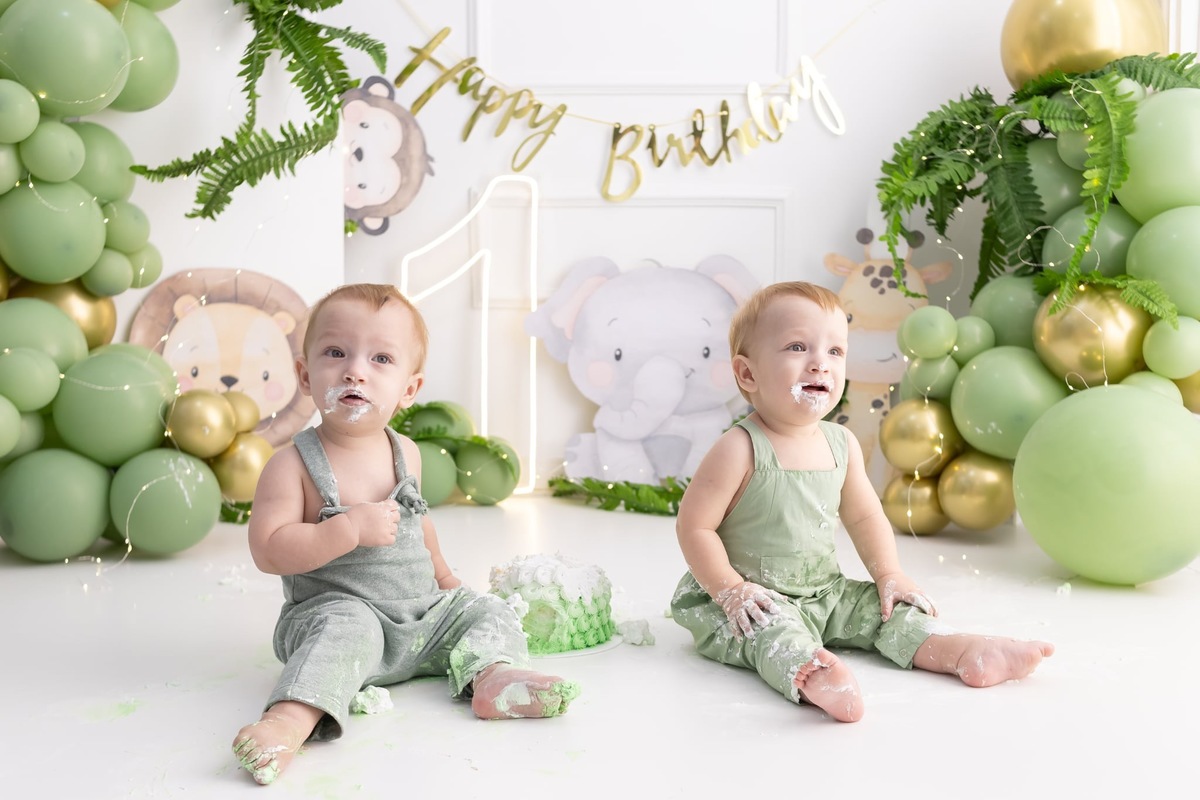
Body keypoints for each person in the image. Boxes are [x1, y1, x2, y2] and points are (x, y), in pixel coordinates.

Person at [233, 284, 579, 785]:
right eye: (336, 352)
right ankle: (288, 720)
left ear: (409, 389)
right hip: (337, 615)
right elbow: (269, 550)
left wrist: (444, 578)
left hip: (420, 620)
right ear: (305, 376)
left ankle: (491, 676)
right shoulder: (292, 465)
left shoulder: (406, 452)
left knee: (486, 608)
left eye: (380, 358)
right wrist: (346, 529)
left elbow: (419, 522)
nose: (355, 370)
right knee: (346, 628)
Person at [670, 281, 1053, 722]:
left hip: (827, 593)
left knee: (885, 611)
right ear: (748, 373)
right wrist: (731, 590)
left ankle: (960, 650)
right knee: (771, 633)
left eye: (835, 351)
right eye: (798, 347)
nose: (820, 363)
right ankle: (813, 674)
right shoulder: (739, 447)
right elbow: (693, 526)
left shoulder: (841, 443)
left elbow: (866, 514)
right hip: (750, 599)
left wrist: (888, 574)